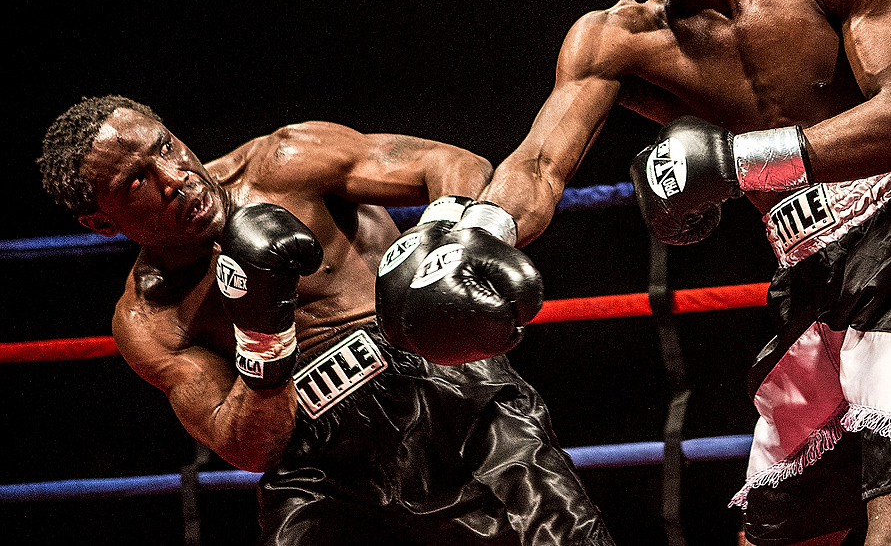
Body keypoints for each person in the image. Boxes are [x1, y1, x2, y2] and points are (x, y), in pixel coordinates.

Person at [463, 0, 891, 544]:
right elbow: (537, 166)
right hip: (807, 275)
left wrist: (740, 160)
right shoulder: (611, 39)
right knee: (776, 531)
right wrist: (474, 235)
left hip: (890, 233)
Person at [37, 94, 615, 546]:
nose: (173, 179)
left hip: (445, 392)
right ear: (100, 221)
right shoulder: (149, 317)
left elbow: (450, 164)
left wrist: (432, 255)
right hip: (322, 469)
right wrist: (263, 336)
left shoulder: (285, 162)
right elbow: (248, 450)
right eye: (136, 182)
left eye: (164, 147)